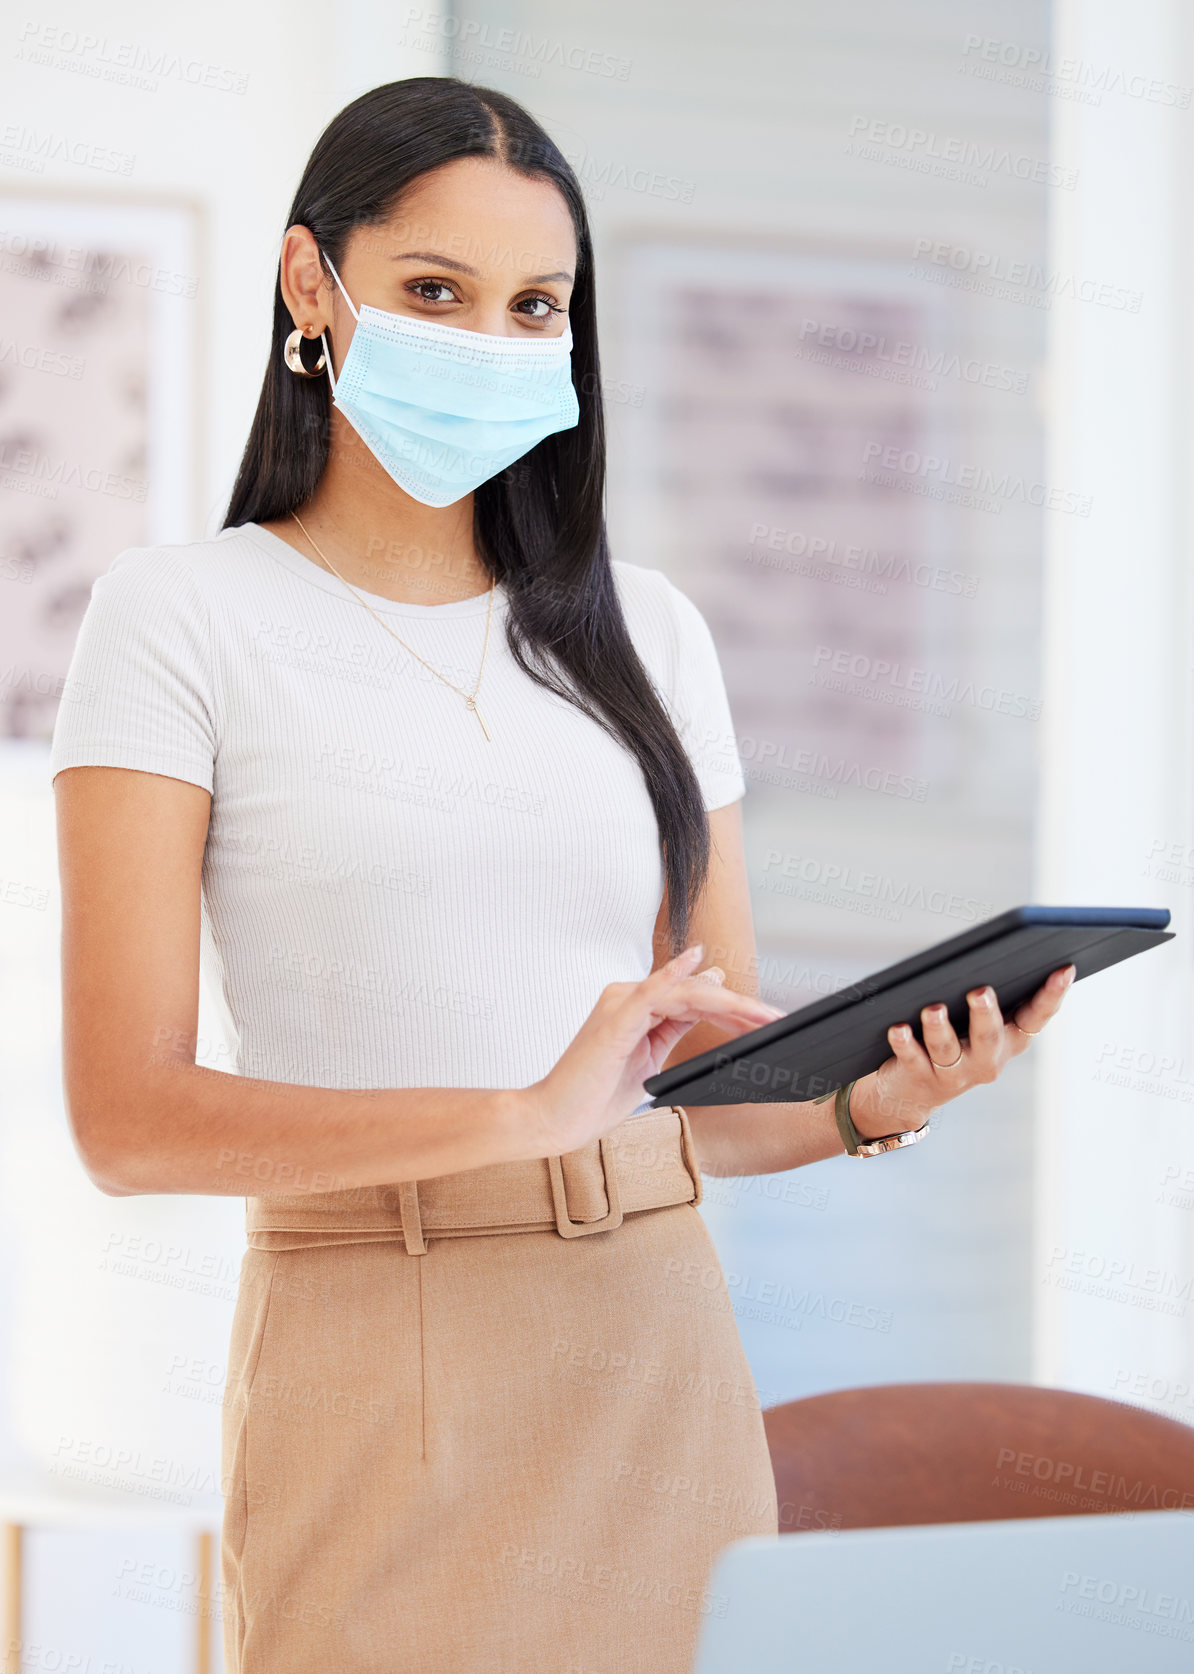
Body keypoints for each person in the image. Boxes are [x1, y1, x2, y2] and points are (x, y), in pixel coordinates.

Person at [48, 76, 1074, 1674]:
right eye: (436, 292)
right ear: (310, 285)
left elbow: (708, 1089)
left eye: (536, 306)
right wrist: (518, 1114)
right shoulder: (179, 618)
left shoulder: (648, 634)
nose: (495, 340)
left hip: (652, 1345)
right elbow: (129, 1118)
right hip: (377, 1345)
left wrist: (881, 1095)